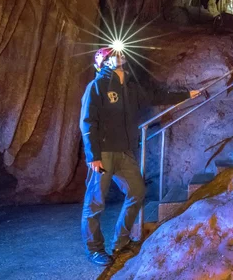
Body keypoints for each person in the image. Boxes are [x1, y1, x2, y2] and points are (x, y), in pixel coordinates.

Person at [80, 47, 199, 265]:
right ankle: (94, 249)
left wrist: (187, 94)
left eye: (120, 54)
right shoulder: (97, 86)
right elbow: (88, 121)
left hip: (124, 152)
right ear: (104, 62)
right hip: (103, 153)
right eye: (114, 55)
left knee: (137, 191)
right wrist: (92, 155)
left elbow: (156, 97)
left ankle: (121, 241)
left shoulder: (130, 87)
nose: (120, 56)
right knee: (96, 202)